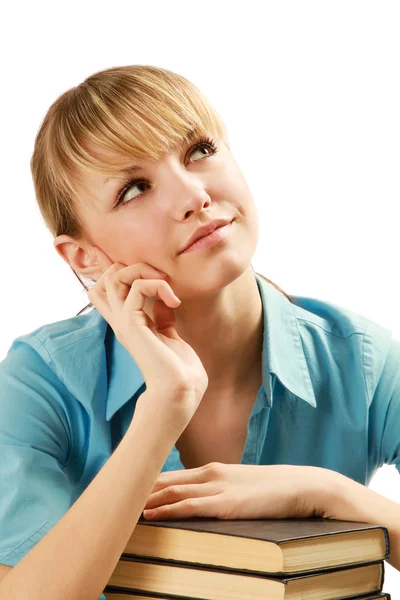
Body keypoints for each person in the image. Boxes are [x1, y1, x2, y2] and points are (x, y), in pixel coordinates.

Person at [0, 64, 399, 600]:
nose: (194, 195)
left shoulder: (361, 360)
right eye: (134, 188)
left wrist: (324, 491)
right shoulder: (40, 380)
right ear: (85, 256)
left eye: (200, 150)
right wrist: (166, 404)